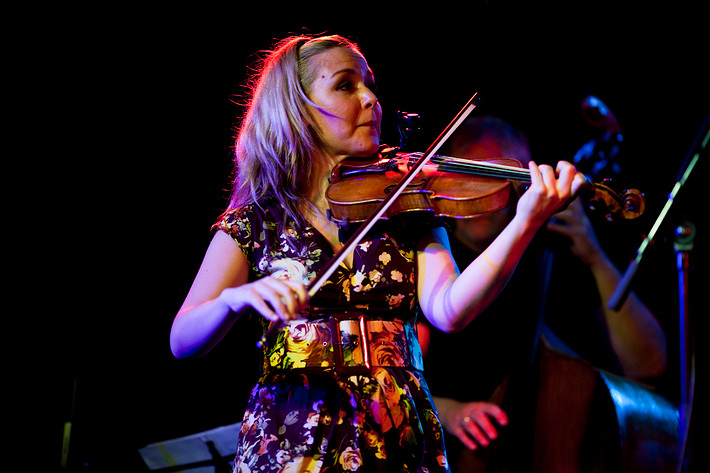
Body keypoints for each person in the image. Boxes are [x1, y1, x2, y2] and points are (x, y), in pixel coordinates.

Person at [169, 35, 586, 473]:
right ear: (298, 109)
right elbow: (182, 340)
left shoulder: (407, 208)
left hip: (394, 428)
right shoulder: (256, 222)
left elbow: (449, 310)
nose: (370, 98)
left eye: (369, 84)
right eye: (346, 86)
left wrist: (526, 220)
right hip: (291, 432)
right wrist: (235, 298)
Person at [417, 116, 668, 472]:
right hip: (453, 453)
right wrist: (447, 411)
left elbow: (648, 363)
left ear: (525, 183)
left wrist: (594, 257)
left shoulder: (555, 253)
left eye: (500, 174)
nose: (483, 188)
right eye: (470, 173)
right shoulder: (428, 256)